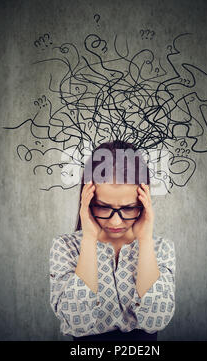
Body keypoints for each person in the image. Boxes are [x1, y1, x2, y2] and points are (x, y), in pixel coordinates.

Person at [49, 140, 175, 341]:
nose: (116, 221)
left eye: (128, 208)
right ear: (88, 201)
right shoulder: (65, 247)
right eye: (103, 207)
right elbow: (77, 322)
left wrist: (144, 239)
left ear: (144, 201)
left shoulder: (162, 248)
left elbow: (156, 320)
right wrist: (89, 238)